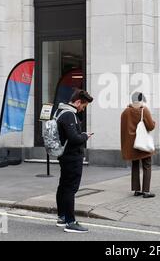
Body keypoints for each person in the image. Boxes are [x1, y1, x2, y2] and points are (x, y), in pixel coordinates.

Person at [56, 89, 94, 233]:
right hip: (71, 157)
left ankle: (62, 217)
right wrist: (85, 136)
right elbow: (74, 138)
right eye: (83, 106)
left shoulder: (60, 112)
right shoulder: (69, 115)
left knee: (63, 186)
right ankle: (71, 222)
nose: (82, 109)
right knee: (70, 189)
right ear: (78, 102)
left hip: (64, 156)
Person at [121, 92, 156, 198]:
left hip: (132, 144)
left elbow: (123, 129)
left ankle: (136, 190)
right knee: (147, 165)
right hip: (142, 143)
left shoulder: (126, 111)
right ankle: (146, 191)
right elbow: (150, 126)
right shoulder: (143, 110)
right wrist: (154, 122)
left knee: (135, 165)